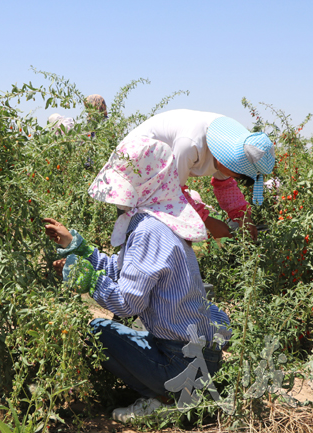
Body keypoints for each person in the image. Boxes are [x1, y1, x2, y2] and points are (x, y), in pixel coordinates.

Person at [43, 137, 231, 423]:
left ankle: (167, 399)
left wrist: (87, 279)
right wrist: (78, 248)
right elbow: (124, 273)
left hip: (179, 361)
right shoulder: (163, 220)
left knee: (99, 330)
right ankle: (180, 390)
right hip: (200, 355)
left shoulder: (148, 231)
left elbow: (127, 302)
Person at [122, 109, 276, 240]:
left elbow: (225, 185)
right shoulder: (190, 144)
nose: (234, 178)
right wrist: (208, 222)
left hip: (161, 180)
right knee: (140, 232)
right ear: (227, 162)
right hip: (135, 168)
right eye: (237, 175)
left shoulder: (232, 147)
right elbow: (172, 194)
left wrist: (243, 216)